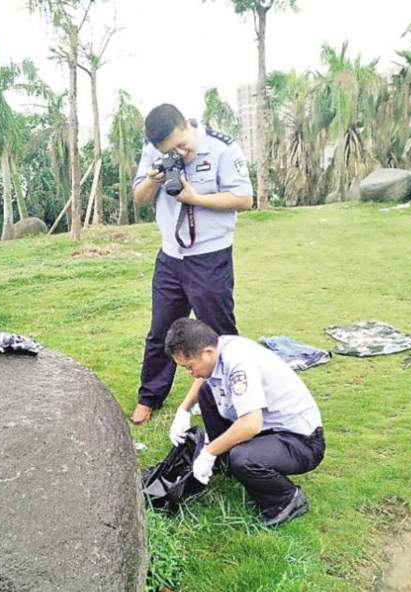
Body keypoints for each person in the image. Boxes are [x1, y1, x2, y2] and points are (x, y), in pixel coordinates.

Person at [130, 104, 253, 425]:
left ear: (187, 124)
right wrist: (154, 179)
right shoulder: (151, 151)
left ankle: (232, 395)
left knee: (219, 333)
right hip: (170, 257)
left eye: (181, 145)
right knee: (161, 331)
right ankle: (150, 396)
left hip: (210, 257)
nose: (180, 153)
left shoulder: (221, 147)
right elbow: (139, 198)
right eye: (170, 151)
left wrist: (195, 198)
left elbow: (243, 198)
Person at [164, 318, 326, 528]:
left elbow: (251, 425)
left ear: (206, 353)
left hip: (302, 441)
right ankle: (224, 463)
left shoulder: (239, 362)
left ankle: (287, 499)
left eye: (189, 366)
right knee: (206, 393)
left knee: (243, 458)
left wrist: (208, 452)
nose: (190, 372)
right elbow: (203, 379)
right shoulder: (219, 347)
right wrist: (183, 410)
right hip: (271, 429)